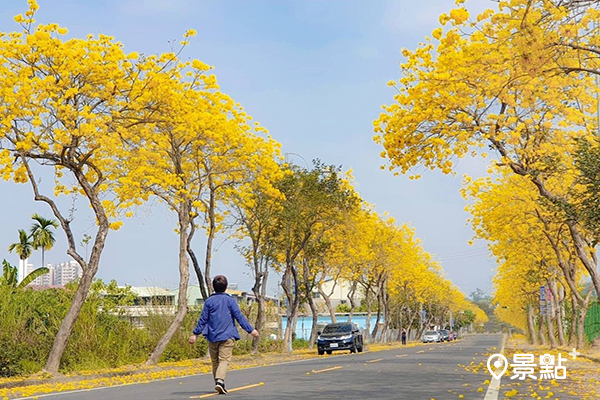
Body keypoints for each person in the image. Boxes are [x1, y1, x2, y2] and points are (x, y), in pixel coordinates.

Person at [189, 275, 259, 395]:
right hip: (227, 336)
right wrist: (251, 330)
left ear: (214, 287)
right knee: (224, 360)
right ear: (226, 287)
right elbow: (239, 317)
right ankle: (220, 382)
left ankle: (218, 382)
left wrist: (195, 334)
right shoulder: (230, 301)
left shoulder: (209, 301)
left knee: (215, 361)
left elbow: (203, 319)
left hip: (212, 336)